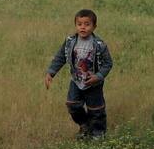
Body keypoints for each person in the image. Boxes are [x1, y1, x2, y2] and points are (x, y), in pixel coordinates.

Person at [45, 9, 113, 139]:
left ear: (94, 27)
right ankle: (85, 125)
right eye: (79, 24)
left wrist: (98, 76)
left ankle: (98, 135)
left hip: (93, 84)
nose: (83, 27)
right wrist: (51, 72)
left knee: (96, 110)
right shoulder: (70, 41)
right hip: (76, 81)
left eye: (87, 24)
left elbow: (108, 63)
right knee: (72, 105)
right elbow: (60, 57)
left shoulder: (99, 45)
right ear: (75, 25)